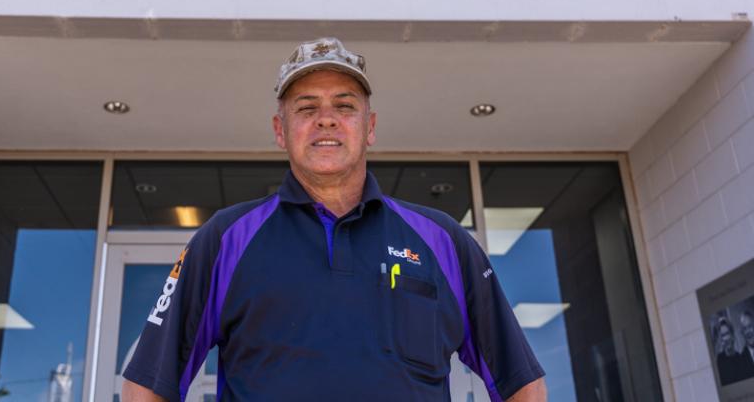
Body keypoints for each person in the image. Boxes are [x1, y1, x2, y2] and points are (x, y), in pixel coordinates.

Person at [122, 37, 547, 401]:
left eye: (344, 106)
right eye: (306, 108)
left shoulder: (443, 241)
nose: (326, 118)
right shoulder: (225, 239)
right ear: (280, 130)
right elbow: (147, 385)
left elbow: (521, 383)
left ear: (370, 127)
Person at [715, 317, 749, 386]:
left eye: (727, 333)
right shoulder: (719, 361)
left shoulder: (741, 358)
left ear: (732, 335)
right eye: (723, 335)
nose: (726, 338)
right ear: (721, 339)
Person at [737, 310, 754, 382]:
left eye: (750, 326)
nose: (748, 332)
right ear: (742, 332)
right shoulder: (740, 361)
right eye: (744, 328)